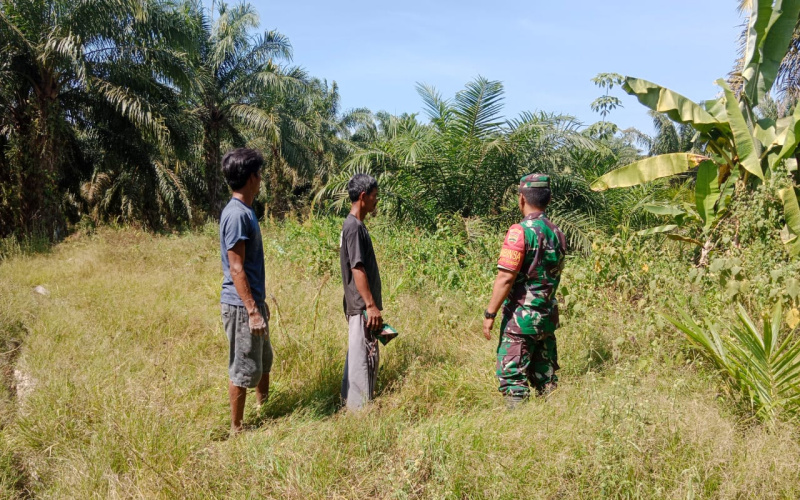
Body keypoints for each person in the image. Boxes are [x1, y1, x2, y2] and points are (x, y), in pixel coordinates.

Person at [482, 174, 567, 408]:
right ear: (548, 200)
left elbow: (506, 277)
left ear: (521, 199)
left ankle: (516, 429)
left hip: (521, 319)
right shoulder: (557, 232)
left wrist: (490, 314)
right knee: (546, 378)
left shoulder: (520, 231)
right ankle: (552, 423)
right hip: (547, 317)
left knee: (512, 379)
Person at [218, 148, 273, 433]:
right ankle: (236, 428)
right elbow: (236, 267)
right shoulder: (237, 215)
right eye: (259, 174)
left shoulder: (247, 211)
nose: (261, 179)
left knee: (263, 360)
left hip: (253, 302)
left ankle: (264, 411)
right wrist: (252, 310)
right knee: (242, 366)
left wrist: (260, 304)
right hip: (241, 306)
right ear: (251, 178)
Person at [339, 173, 383, 410]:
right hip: (360, 306)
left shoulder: (356, 225)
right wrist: (370, 305)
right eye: (375, 196)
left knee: (362, 355)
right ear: (363, 196)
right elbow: (357, 268)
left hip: (360, 305)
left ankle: (352, 405)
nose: (377, 201)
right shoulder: (353, 227)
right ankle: (358, 413)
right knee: (361, 360)